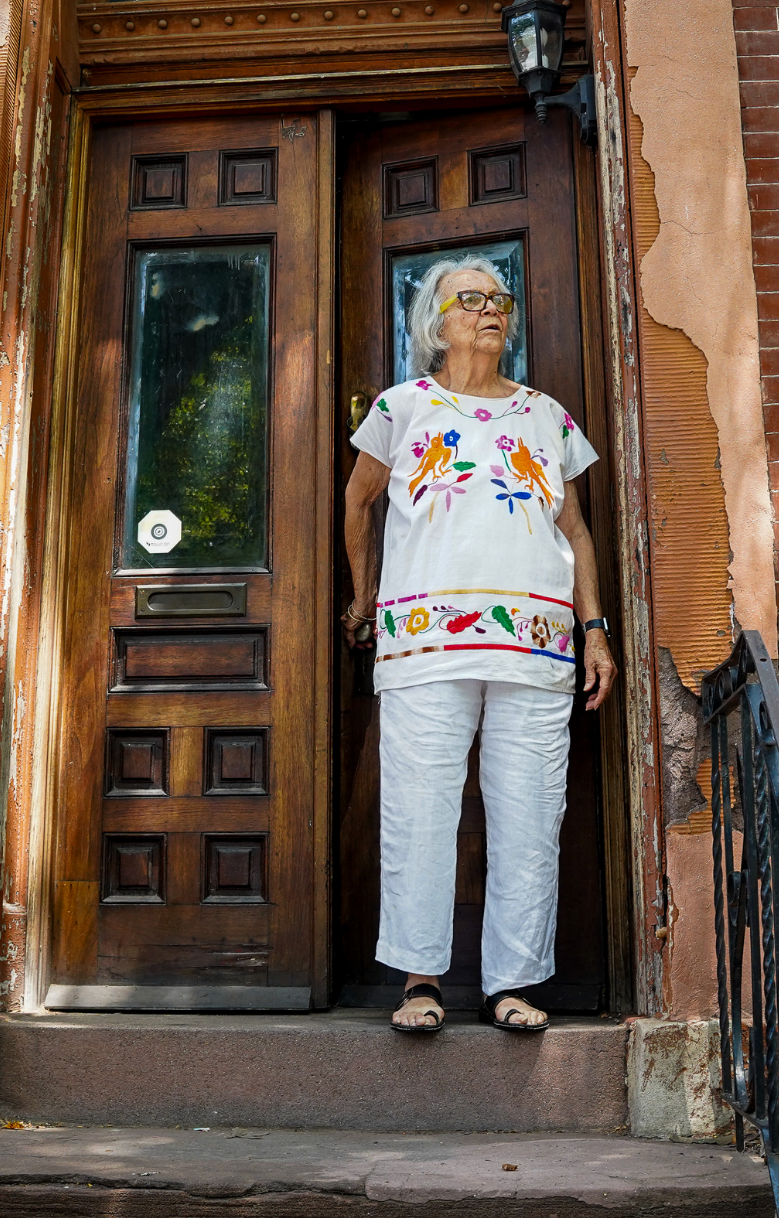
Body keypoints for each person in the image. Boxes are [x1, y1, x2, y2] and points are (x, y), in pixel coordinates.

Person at [343, 257, 617, 1033]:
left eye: (499, 298)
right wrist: (364, 596)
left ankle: (512, 984)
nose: (490, 309)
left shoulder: (545, 415)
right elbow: (358, 504)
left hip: (535, 646)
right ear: (436, 320)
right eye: (471, 299)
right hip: (424, 644)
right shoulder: (403, 409)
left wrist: (592, 627)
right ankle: (420, 980)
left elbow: (574, 529)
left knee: (530, 811)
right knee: (419, 812)